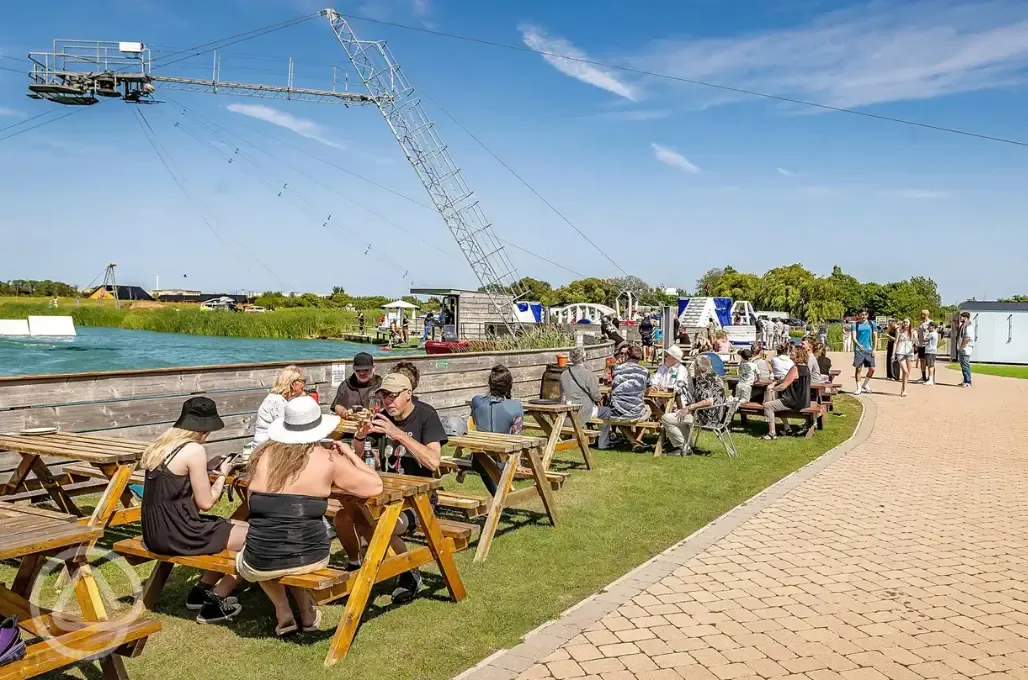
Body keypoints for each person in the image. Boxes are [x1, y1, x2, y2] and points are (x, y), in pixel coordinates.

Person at [241, 396, 382, 635]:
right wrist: (349, 453)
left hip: (259, 560)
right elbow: (375, 486)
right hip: (310, 555)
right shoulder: (328, 459)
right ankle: (305, 612)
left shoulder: (262, 456)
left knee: (260, 547)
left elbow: (250, 498)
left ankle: (283, 610)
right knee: (293, 550)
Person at [335, 373, 446, 603]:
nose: (387, 401)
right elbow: (368, 458)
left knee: (378, 526)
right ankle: (355, 565)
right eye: (384, 396)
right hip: (384, 495)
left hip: (418, 501)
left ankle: (409, 573)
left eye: (392, 396)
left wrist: (398, 434)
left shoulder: (426, 416)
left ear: (408, 394)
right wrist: (360, 437)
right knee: (342, 517)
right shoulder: (382, 417)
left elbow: (434, 462)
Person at [140, 397, 248, 625]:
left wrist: (204, 468)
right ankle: (215, 602)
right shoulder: (194, 450)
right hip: (180, 533)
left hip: (155, 532)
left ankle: (202, 590)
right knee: (257, 538)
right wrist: (221, 475)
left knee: (242, 526)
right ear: (204, 428)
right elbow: (205, 503)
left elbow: (172, 483)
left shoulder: (159, 446)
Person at [470, 365, 524, 494]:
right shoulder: (515, 406)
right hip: (504, 462)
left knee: (486, 463)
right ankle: (500, 496)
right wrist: (519, 464)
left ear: (490, 384)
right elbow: (517, 437)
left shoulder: (477, 401)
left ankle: (498, 495)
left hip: (479, 458)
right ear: (509, 385)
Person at [660, 355, 726, 456]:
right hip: (718, 416)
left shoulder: (703, 379)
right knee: (680, 414)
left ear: (698, 366)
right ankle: (688, 445)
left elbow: (709, 401)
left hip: (706, 417)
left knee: (666, 418)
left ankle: (683, 447)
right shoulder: (715, 376)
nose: (692, 366)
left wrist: (690, 407)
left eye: (694, 364)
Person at [559, 348, 610, 449]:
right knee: (607, 411)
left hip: (567, 409)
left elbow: (562, 393)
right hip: (583, 410)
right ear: (584, 358)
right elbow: (597, 396)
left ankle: (576, 436)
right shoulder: (588, 374)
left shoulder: (564, 374)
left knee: (594, 411)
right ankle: (603, 443)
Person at [762, 346, 812, 439]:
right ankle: (786, 427)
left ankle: (772, 433)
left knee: (768, 405)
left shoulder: (795, 368)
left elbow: (784, 386)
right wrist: (776, 382)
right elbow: (788, 379)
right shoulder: (806, 367)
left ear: (798, 354)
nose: (790, 353)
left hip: (793, 401)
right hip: (804, 400)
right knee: (775, 401)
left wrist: (772, 389)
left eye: (792, 352)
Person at [606, 345, 650, 450]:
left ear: (627, 355)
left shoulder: (617, 368)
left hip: (617, 410)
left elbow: (613, 385)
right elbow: (648, 389)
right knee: (649, 410)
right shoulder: (644, 371)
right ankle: (637, 440)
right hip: (635, 410)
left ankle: (633, 441)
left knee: (619, 417)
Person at [253, 365, 306, 446]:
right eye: (303, 381)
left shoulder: (281, 399)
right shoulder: (277, 401)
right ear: (293, 384)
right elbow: (285, 432)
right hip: (266, 449)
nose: (304, 386)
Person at [852, 310, 878, 395]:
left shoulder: (871, 324)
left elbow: (875, 336)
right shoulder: (855, 324)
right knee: (858, 369)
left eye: (865, 314)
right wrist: (858, 345)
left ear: (867, 315)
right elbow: (854, 337)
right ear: (859, 315)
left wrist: (874, 349)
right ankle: (858, 388)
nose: (863, 316)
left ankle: (865, 384)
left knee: (872, 369)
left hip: (869, 349)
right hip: (859, 350)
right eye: (861, 314)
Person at [894, 318, 916, 397]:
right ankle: (903, 389)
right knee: (905, 371)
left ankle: (903, 389)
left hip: (909, 353)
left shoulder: (913, 331)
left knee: (907, 373)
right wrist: (893, 354)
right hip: (900, 352)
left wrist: (915, 337)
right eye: (904, 322)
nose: (905, 323)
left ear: (910, 323)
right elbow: (896, 342)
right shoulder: (899, 331)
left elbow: (916, 341)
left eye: (907, 322)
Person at [958, 311, 974, 387]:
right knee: (963, 365)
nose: (960, 318)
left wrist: (962, 347)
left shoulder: (968, 326)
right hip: (963, 348)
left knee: (965, 365)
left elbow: (967, 338)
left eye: (961, 317)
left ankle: (968, 381)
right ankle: (965, 380)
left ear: (965, 317)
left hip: (966, 348)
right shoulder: (963, 326)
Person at [915, 309, 931, 383]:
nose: (922, 316)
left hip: (927, 344)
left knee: (928, 361)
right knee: (922, 360)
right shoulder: (921, 323)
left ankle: (930, 377)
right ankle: (923, 376)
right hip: (921, 344)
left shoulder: (930, 322)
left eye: (923, 314)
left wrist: (926, 330)